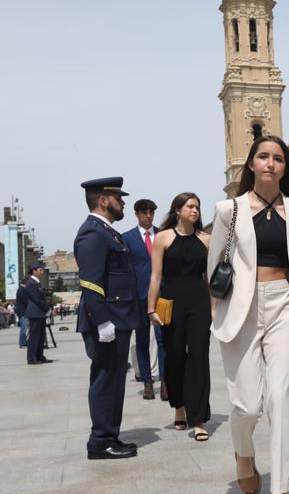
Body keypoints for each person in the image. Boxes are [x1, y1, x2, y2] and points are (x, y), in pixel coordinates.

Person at [209, 135, 289, 494]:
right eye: (263, 156)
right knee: (246, 405)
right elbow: (215, 265)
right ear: (251, 164)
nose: (270, 163)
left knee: (279, 396)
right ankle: (244, 455)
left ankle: (281, 487)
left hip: (283, 306)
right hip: (241, 308)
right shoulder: (229, 210)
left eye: (277, 158)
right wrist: (217, 314)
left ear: (285, 167)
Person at [74, 177, 140, 460]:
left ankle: (109, 435)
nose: (122, 202)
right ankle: (100, 440)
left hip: (118, 318)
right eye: (118, 198)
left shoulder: (107, 232)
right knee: (105, 379)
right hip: (107, 320)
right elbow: (91, 283)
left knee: (114, 380)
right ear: (103, 200)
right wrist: (101, 321)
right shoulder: (92, 233)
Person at [147, 192, 212, 441]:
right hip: (170, 302)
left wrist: (214, 307)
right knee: (175, 357)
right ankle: (179, 407)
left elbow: (210, 278)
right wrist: (150, 308)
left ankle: (198, 419)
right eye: (190, 206)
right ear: (177, 210)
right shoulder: (162, 238)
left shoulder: (206, 239)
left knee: (198, 357)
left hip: (199, 302)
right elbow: (155, 276)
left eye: (197, 206)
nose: (194, 211)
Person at [123, 198, 166, 401]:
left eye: (151, 212)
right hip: (139, 296)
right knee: (141, 341)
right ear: (137, 214)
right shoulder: (128, 238)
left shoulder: (163, 235)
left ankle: (165, 382)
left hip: (161, 295)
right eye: (144, 212)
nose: (148, 216)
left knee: (162, 339)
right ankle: (148, 383)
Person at [23, 261, 54, 365]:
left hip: (39, 312)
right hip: (35, 312)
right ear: (34, 271)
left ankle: (39, 355)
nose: (42, 271)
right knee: (34, 336)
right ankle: (32, 358)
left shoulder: (36, 282)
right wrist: (47, 309)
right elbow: (37, 299)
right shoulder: (31, 283)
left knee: (41, 336)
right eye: (40, 270)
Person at [14, 278, 29, 349]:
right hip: (23, 311)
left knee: (24, 327)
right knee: (24, 328)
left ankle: (24, 342)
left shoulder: (21, 289)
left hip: (22, 311)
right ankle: (22, 343)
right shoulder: (22, 290)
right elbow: (25, 301)